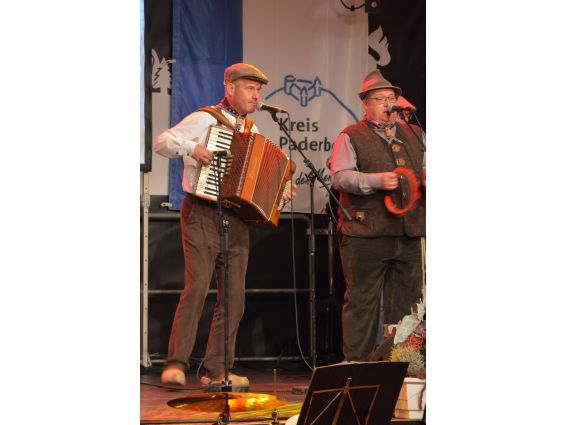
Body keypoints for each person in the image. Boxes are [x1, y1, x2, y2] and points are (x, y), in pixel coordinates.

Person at [154, 63, 295, 388]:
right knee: (198, 287)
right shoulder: (205, 119)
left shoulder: (253, 132)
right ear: (229, 88)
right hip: (202, 211)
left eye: (258, 90)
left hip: (236, 218)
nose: (256, 95)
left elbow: (267, 175)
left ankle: (217, 370)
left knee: (234, 296)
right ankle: (176, 363)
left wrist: (281, 190)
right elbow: (163, 141)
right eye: (249, 88)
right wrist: (193, 148)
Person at [328, 70, 425, 362]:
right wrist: (376, 181)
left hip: (408, 231)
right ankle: (356, 362)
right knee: (362, 299)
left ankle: (402, 364)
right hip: (365, 231)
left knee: (408, 303)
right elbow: (340, 177)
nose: (388, 104)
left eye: (392, 98)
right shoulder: (351, 136)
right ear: (366, 105)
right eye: (380, 99)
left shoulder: (415, 133)